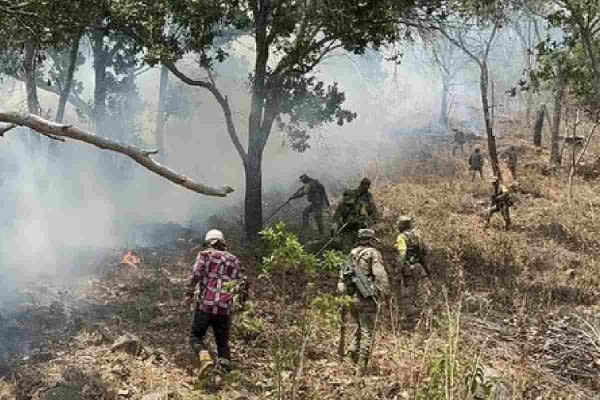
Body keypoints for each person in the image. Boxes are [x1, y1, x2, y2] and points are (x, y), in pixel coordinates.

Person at [186, 229, 247, 377]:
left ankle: (205, 359)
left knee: (195, 336)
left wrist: (188, 293)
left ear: (209, 242)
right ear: (222, 243)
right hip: (224, 310)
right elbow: (243, 284)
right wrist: (241, 304)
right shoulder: (234, 260)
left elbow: (196, 276)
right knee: (222, 343)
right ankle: (224, 377)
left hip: (205, 306)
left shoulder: (205, 255)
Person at [337, 229, 389, 372]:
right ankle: (361, 368)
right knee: (367, 332)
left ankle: (350, 356)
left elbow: (341, 278)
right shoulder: (372, 253)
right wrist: (385, 293)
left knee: (361, 327)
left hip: (350, 298)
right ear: (371, 240)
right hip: (366, 298)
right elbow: (380, 274)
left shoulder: (350, 254)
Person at [395, 216, 430, 328]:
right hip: (420, 268)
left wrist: (398, 269)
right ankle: (421, 319)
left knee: (407, 295)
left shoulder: (401, 237)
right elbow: (425, 251)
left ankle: (412, 322)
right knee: (418, 295)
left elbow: (402, 254)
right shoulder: (417, 236)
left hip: (409, 269)